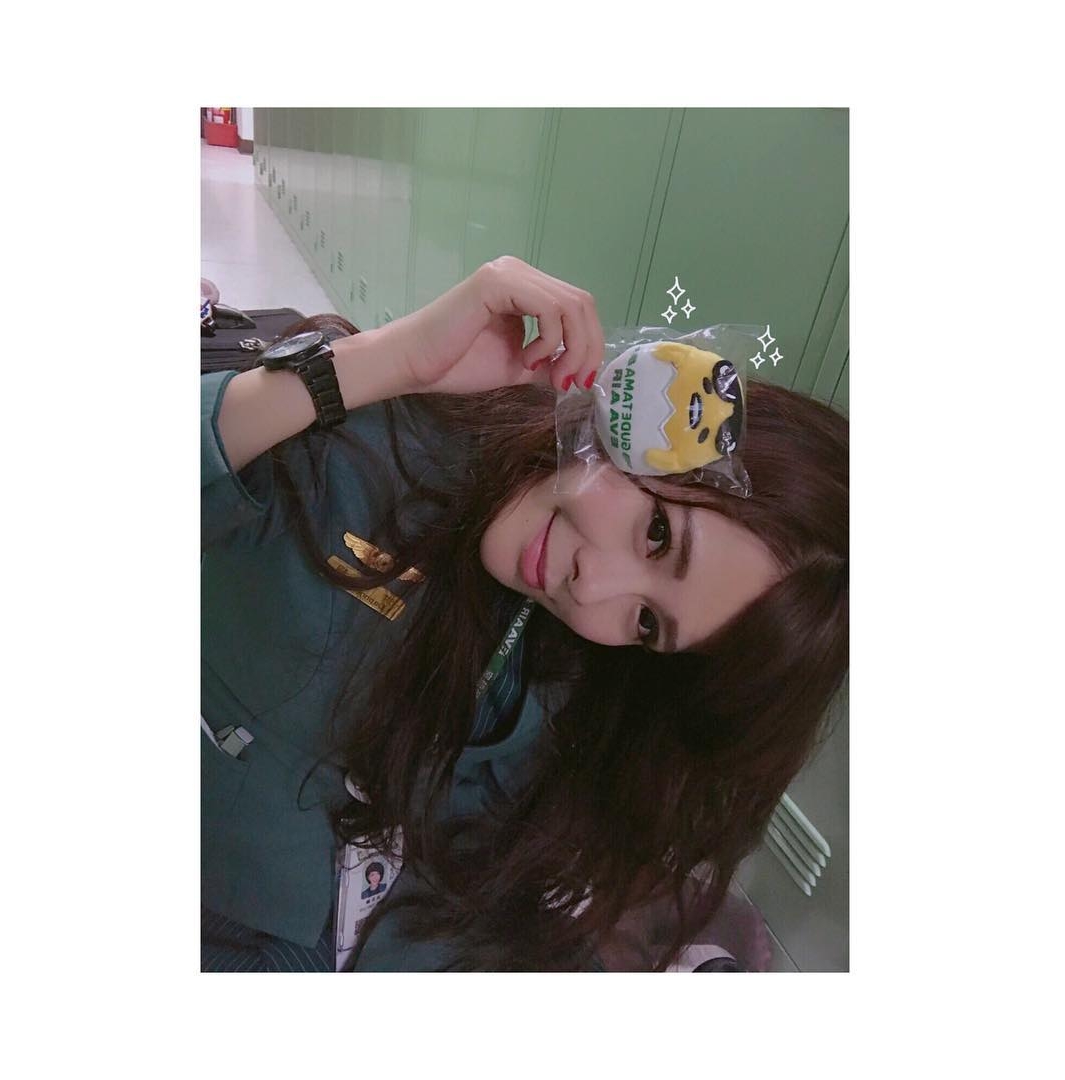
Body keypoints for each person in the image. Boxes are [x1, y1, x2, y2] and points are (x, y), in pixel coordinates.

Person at [201, 255, 848, 972]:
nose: (593, 589)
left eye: (648, 623)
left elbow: (463, 847)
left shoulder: (562, 667)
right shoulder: (376, 446)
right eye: (658, 534)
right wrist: (384, 364)